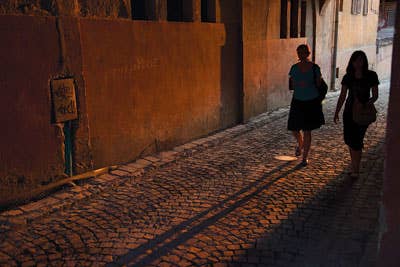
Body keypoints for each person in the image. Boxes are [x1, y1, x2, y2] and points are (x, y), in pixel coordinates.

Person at [334, 51, 379, 179]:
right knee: (349, 140)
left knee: (357, 140)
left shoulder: (371, 75)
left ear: (364, 61)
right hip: (348, 112)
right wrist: (337, 111)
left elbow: (375, 96)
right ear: (352, 62)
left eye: (361, 60)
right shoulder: (348, 77)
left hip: (363, 114)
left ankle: (356, 169)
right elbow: (343, 96)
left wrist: (366, 103)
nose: (358, 63)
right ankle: (354, 166)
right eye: (356, 60)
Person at [288, 44, 325, 166]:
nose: (301, 54)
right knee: (294, 128)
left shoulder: (315, 68)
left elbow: (319, 83)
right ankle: (301, 144)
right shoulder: (294, 68)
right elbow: (292, 85)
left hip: (311, 101)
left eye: (303, 52)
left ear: (308, 54)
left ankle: (305, 157)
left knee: (307, 130)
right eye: (299, 52)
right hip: (298, 100)